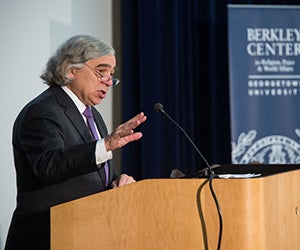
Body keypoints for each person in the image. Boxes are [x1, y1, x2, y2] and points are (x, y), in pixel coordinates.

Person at [5, 35, 147, 250]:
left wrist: (118, 182)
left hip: (86, 235)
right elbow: (49, 166)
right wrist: (106, 145)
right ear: (71, 70)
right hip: (47, 236)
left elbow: (90, 173)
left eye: (111, 74)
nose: (109, 81)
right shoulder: (42, 111)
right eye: (102, 71)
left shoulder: (92, 115)